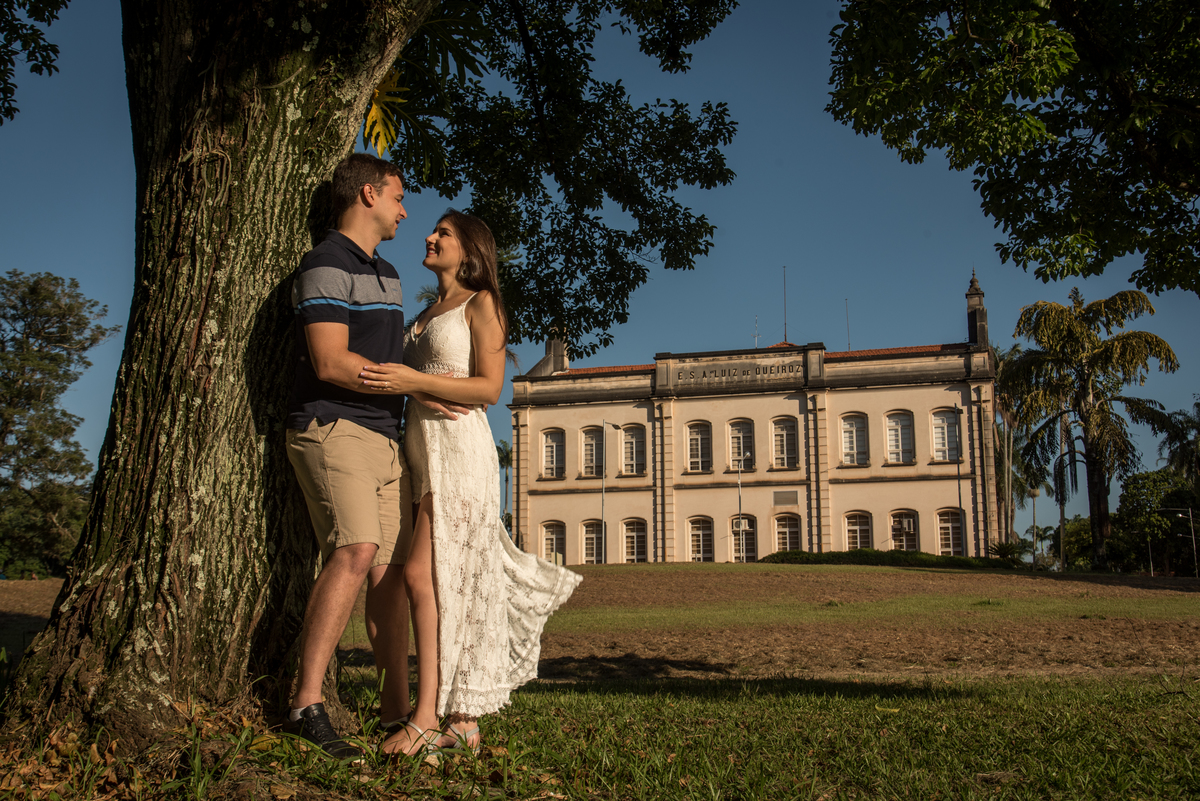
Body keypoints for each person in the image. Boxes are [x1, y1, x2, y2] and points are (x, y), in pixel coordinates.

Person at [361, 209, 582, 756]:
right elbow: (415, 386)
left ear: (471, 250)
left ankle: (426, 716)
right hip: (419, 449)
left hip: (460, 450)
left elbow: (488, 389)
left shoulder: (482, 303)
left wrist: (411, 379)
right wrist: (412, 388)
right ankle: (460, 717)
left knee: (423, 574)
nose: (430, 237)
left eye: (444, 233)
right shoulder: (426, 310)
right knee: (442, 578)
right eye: (433, 232)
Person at [283, 154, 467, 759]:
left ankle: (396, 714)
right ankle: (306, 702)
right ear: (369, 193)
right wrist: (408, 384)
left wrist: (425, 388)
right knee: (357, 550)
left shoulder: (388, 275)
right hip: (334, 427)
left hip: (389, 440)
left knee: (390, 576)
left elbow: (402, 368)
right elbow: (330, 361)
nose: (405, 211)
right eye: (398, 198)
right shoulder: (325, 263)